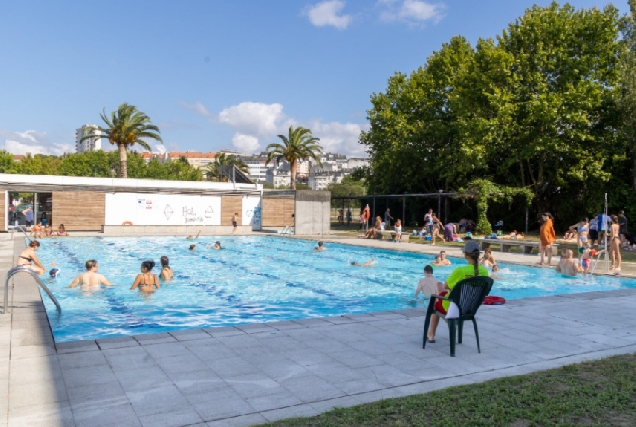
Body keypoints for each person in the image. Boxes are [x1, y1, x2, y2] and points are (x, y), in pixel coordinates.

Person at [426, 241, 488, 343]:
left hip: (454, 307)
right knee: (439, 294)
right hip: (471, 309)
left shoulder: (460, 270)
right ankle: (435, 331)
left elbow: (446, 286)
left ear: (466, 254)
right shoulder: (484, 272)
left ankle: (431, 334)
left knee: (438, 289)